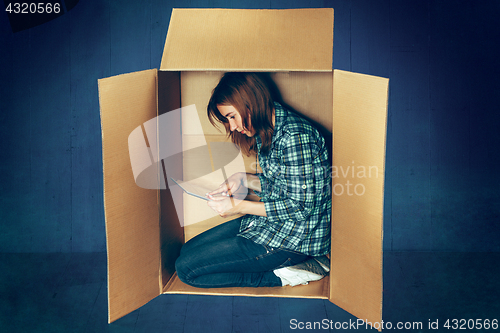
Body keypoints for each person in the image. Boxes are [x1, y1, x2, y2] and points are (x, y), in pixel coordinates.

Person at [175, 72, 331, 288]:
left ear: (250, 103)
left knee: (187, 271)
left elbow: (300, 207)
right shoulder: (267, 128)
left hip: (294, 241)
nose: (231, 127)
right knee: (186, 251)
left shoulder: (295, 137)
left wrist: (238, 206)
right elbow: (282, 186)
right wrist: (244, 179)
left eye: (231, 116)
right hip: (269, 225)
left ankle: (292, 273)